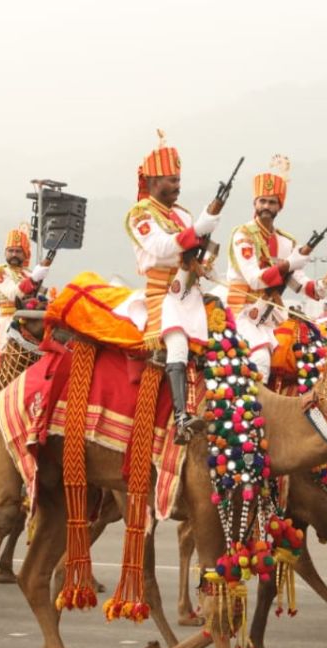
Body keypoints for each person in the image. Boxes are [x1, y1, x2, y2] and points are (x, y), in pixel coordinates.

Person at [125, 130, 223, 442]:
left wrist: (205, 259)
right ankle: (182, 419)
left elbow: (198, 248)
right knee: (178, 343)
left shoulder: (182, 214)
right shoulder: (140, 214)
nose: (178, 185)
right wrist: (197, 231)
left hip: (190, 290)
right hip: (163, 293)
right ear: (154, 182)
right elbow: (161, 247)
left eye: (179, 179)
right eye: (171, 179)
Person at [224, 155, 327, 377]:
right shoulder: (243, 235)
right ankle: (252, 400)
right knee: (261, 358)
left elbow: (298, 283)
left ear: (279, 207)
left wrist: (320, 287)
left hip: (271, 315)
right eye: (262, 201)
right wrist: (289, 263)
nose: (266, 206)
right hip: (241, 312)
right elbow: (255, 280)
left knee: (306, 350)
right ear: (255, 203)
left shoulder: (286, 242)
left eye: (272, 202)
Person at [0, 227, 49, 357]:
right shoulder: (0, 271)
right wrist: (34, 279)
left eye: (18, 251)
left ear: (25, 254)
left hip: (31, 321)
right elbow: (13, 295)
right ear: (5, 253)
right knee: (10, 357)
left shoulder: (28, 273)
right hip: (9, 321)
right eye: (10, 251)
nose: (14, 254)